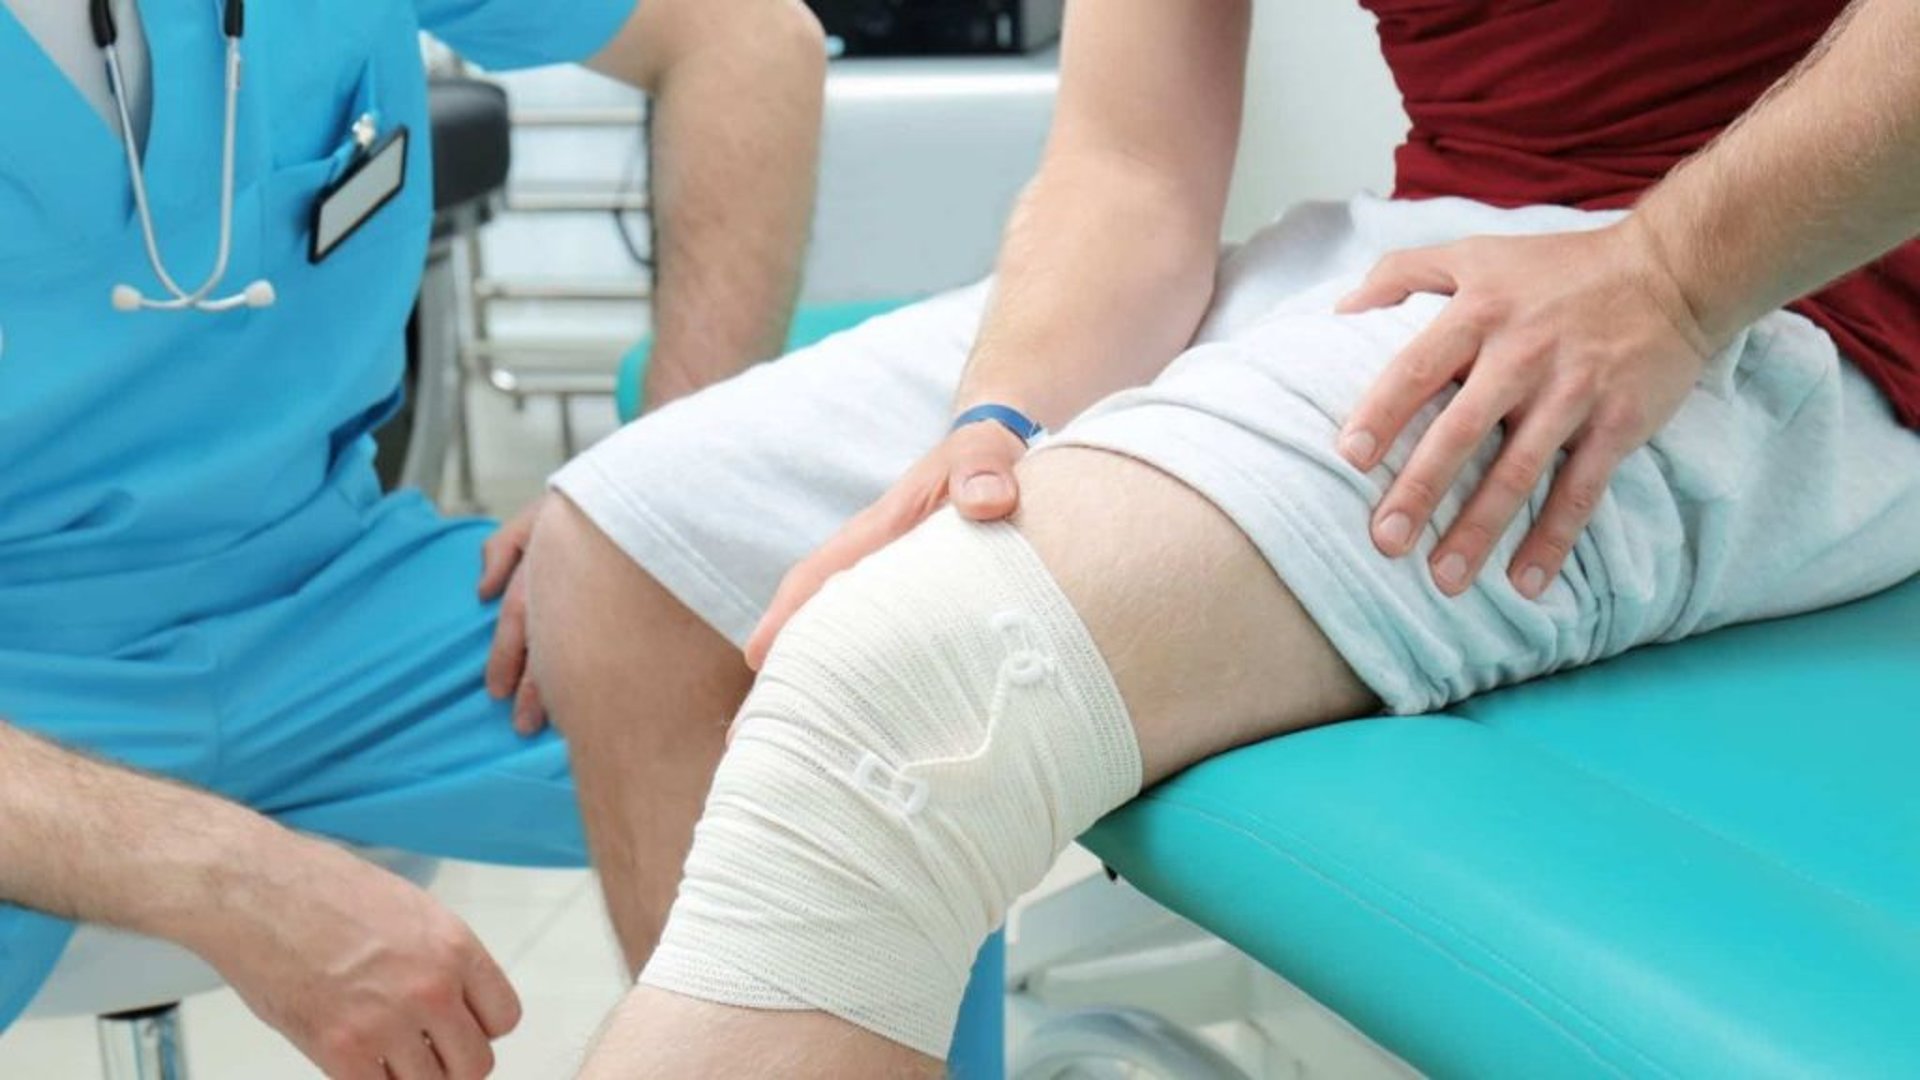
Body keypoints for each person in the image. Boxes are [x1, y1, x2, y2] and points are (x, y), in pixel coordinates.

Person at [518, 0, 1920, 1074]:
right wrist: (1001, 422)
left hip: (1794, 292)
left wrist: (1668, 284)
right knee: (627, 558)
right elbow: (1131, 170)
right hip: (1431, 233)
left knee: (917, 683)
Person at [0, 0, 824, 1075]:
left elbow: (746, 36)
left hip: (330, 598)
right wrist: (228, 877)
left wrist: (649, 497)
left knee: (848, 760)